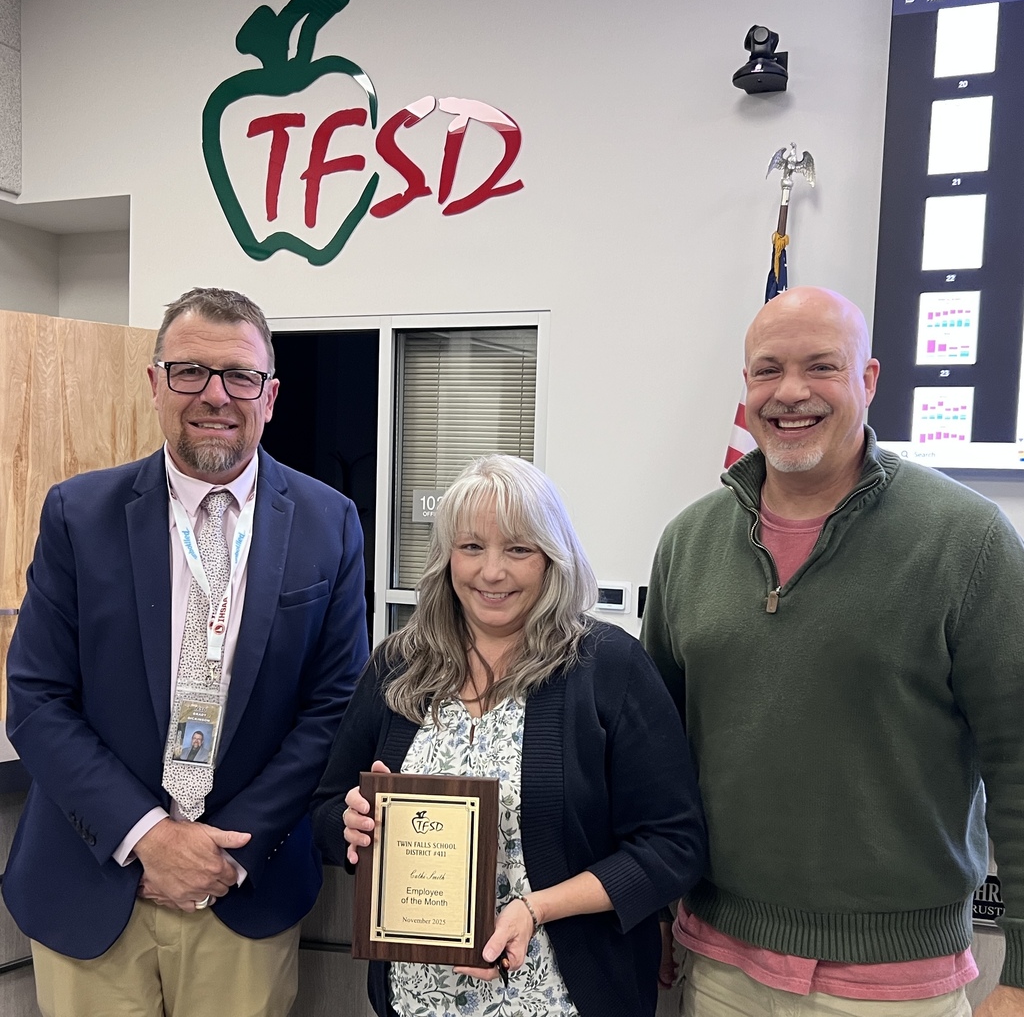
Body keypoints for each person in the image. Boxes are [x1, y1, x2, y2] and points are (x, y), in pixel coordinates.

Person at [641, 285, 1024, 1017]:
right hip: (719, 965)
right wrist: (654, 908)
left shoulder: (967, 542)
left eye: (821, 366)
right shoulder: (688, 543)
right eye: (767, 370)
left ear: (869, 379)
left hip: (897, 983)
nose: (791, 392)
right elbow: (653, 756)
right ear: (746, 385)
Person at [4, 286, 370, 1017]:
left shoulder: (331, 523)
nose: (215, 395)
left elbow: (334, 709)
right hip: (92, 882)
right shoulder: (79, 515)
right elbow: (38, 700)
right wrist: (147, 838)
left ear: (269, 396)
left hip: (245, 887)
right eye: (189, 372)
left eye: (239, 376)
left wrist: (224, 851)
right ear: (154, 383)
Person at [311, 454, 707, 1017]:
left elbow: (674, 845)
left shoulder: (608, 667)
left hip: (564, 996)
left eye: (517, 549)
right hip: (417, 999)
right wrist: (351, 826)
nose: (491, 572)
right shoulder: (399, 666)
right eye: (471, 547)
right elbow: (327, 812)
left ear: (551, 558)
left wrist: (537, 907)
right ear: (447, 556)